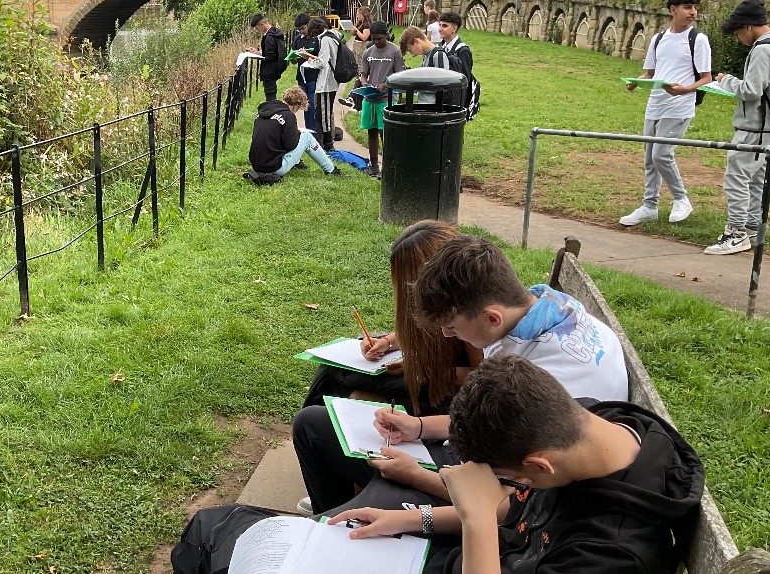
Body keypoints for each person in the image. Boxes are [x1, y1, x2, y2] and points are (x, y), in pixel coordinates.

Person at [310, 234, 629, 517]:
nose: (448, 336)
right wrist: (418, 426)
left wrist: (416, 476)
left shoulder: (539, 377)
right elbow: (492, 420)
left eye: (452, 327)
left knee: (339, 528)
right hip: (479, 453)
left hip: (491, 484)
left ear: (491, 317)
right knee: (311, 425)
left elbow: (510, 500)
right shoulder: (541, 309)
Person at [328, 353, 704, 574]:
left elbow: (501, 509)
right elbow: (515, 508)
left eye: (506, 477)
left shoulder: (609, 555)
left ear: (540, 465)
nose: (509, 486)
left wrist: (476, 517)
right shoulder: (587, 427)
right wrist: (409, 519)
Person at [295, 221, 483, 516]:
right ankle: (329, 477)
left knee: (341, 384)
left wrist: (425, 371)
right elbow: (421, 333)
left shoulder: (473, 312)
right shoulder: (446, 301)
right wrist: (388, 342)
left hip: (447, 396)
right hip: (430, 382)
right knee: (332, 376)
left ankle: (329, 478)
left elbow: (481, 379)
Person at [621, 0, 712, 227]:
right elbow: (651, 72)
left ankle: (682, 199)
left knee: (662, 154)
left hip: (679, 105)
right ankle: (649, 206)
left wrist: (684, 90)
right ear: (673, 10)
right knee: (650, 158)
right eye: (687, 7)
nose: (693, 12)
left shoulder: (698, 39)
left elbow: (706, 78)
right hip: (655, 104)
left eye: (695, 8)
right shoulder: (659, 38)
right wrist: (636, 82)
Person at [704, 0, 770, 255]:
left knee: (737, 179)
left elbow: (751, 91)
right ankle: (751, 226)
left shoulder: (762, 49)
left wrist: (726, 80)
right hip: (765, 129)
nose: (737, 39)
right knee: (756, 180)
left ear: (747, 27)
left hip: (754, 128)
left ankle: (736, 233)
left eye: (736, 34)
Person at [245, 85, 340, 184]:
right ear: (295, 106)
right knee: (306, 137)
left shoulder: (264, 112)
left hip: (256, 165)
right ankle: (331, 169)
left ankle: (297, 162)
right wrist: (297, 133)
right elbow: (290, 145)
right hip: (274, 168)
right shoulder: (289, 116)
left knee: (281, 137)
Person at [356, 22, 405, 177]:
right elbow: (363, 73)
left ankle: (389, 165)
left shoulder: (395, 51)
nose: (376, 42)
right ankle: (373, 165)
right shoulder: (368, 52)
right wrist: (365, 84)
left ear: (386, 35)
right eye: (374, 39)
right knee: (371, 132)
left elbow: (400, 76)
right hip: (370, 98)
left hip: (387, 99)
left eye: (379, 39)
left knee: (385, 133)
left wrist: (385, 85)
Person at [306, 17, 342, 153]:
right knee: (320, 114)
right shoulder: (333, 37)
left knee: (324, 115)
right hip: (327, 82)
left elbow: (323, 62)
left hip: (327, 83)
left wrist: (310, 60)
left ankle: (328, 145)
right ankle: (323, 143)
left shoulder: (326, 39)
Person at [399, 25, 451, 105]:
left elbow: (443, 86)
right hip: (424, 105)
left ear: (416, 41)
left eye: (410, 50)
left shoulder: (438, 55)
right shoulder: (426, 55)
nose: (412, 54)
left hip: (434, 109)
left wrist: (417, 86)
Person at [246, 13, 287, 102]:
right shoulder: (276, 33)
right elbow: (271, 52)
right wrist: (257, 52)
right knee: (272, 94)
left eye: (257, 28)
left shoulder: (269, 37)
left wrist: (256, 56)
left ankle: (271, 113)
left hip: (269, 71)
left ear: (262, 24)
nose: (257, 30)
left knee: (270, 96)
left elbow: (270, 57)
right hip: (275, 69)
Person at [291, 13, 321, 133]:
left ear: (309, 25)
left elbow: (320, 57)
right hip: (301, 76)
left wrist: (307, 55)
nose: (301, 31)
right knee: (305, 105)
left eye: (303, 28)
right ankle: (308, 130)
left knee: (312, 104)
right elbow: (293, 61)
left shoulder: (317, 39)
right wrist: (293, 56)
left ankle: (314, 130)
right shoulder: (298, 39)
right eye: (299, 30)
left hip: (314, 76)